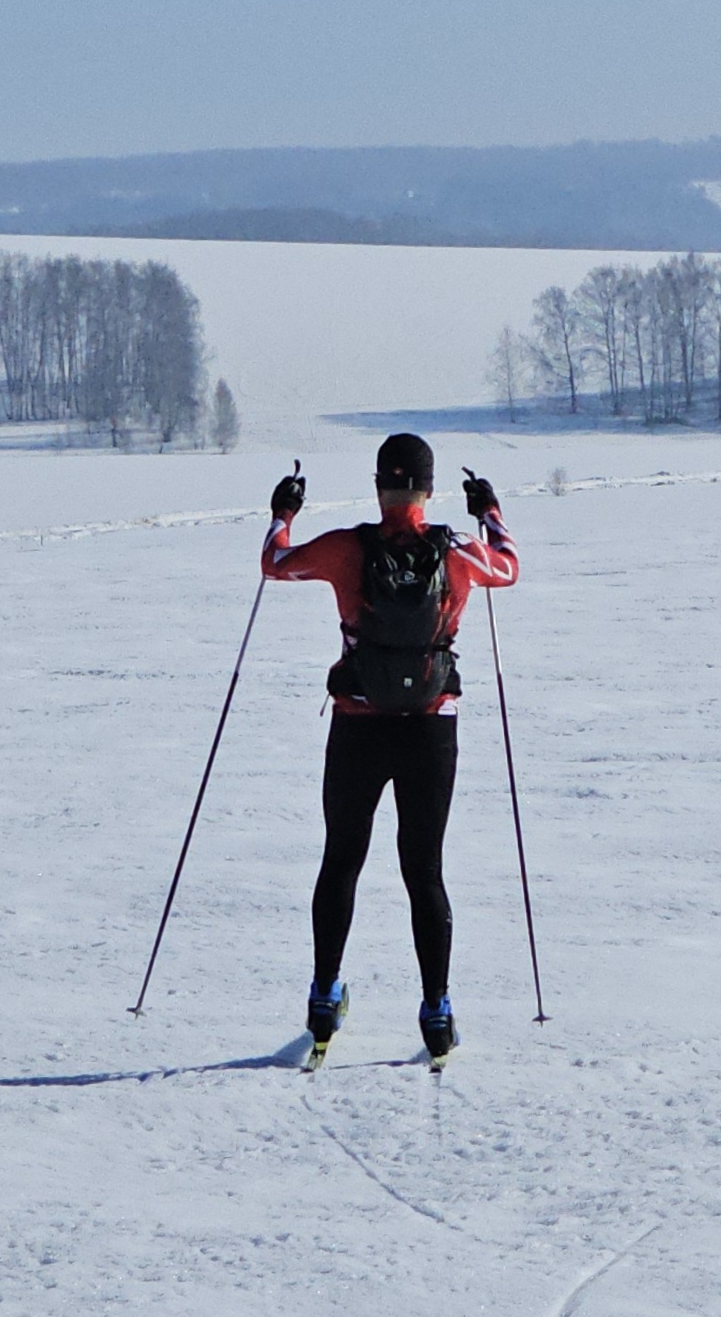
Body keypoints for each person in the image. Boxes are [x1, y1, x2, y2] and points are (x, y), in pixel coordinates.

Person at [261, 429, 516, 1064]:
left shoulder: (347, 548)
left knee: (341, 860)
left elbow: (275, 562)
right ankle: (436, 1012)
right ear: (429, 488)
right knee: (423, 870)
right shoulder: (457, 552)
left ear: (378, 486)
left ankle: (324, 999)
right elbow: (508, 566)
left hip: (358, 723)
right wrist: (488, 511)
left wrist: (283, 512)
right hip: (431, 727)